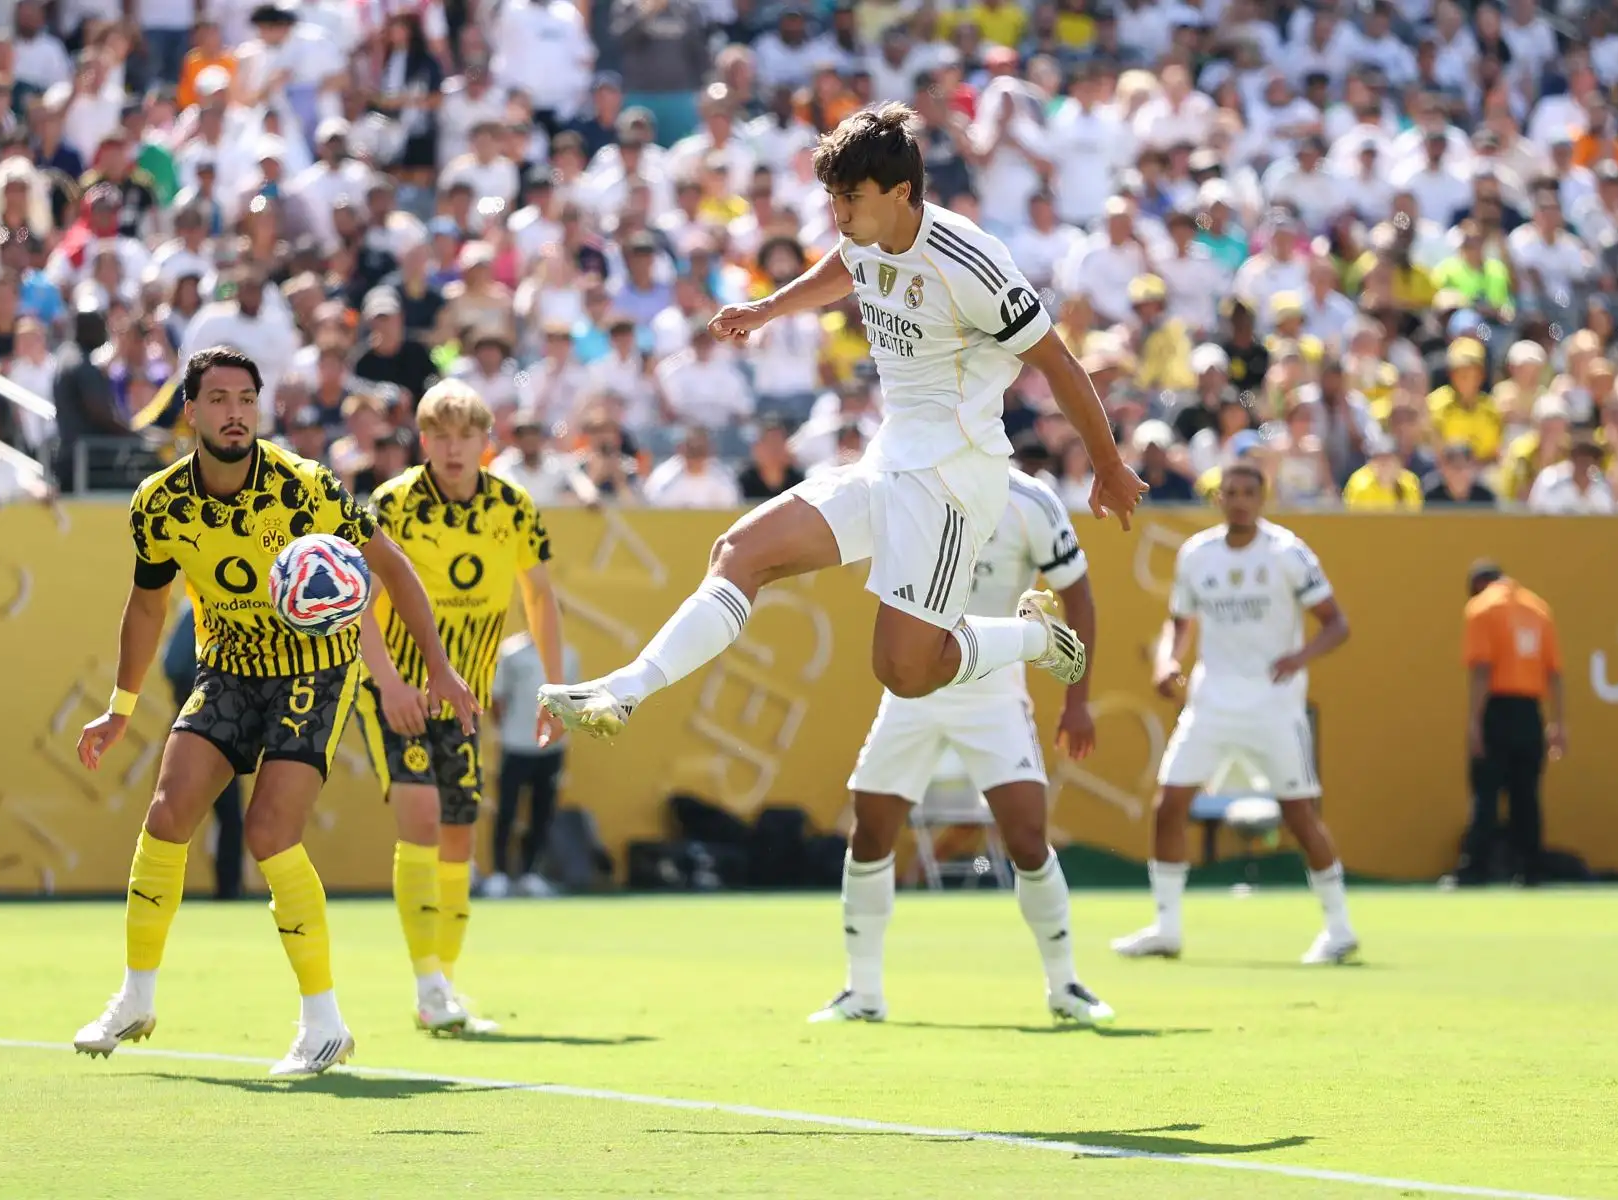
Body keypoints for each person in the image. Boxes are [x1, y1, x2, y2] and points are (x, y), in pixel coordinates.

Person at [539, 104, 1143, 739]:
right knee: (739, 552)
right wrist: (770, 308)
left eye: (850, 198)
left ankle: (1031, 635)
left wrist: (1107, 464)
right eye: (832, 198)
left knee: (905, 672)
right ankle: (623, 690)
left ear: (901, 192)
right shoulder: (864, 232)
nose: (839, 214)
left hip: (953, 479)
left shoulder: (970, 260)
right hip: (890, 458)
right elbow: (846, 264)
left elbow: (1059, 362)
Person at [71, 346, 477, 1077]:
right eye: (219, 399)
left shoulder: (305, 487)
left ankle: (323, 1022)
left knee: (268, 831)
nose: (235, 413)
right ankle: (135, 996)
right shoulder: (159, 504)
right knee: (166, 815)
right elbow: (145, 604)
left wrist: (439, 669)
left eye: (247, 399)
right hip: (226, 669)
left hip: (313, 673)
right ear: (190, 411)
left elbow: (391, 565)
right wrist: (119, 709)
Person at [813, 468, 1113, 1027]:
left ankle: (1065, 984)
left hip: (994, 694)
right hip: (914, 690)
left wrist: (1078, 699)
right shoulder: (906, 485)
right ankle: (863, 991)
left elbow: (1081, 599)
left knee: (1026, 836)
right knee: (873, 827)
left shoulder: (1032, 500)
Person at [354, 380, 564, 1035]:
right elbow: (359, 602)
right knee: (419, 819)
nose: (451, 448)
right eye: (439, 436)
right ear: (422, 441)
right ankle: (428, 987)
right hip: (401, 691)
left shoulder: (514, 507)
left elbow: (541, 598)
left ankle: (440, 984)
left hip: (465, 698)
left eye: (464, 436)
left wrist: (553, 688)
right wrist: (387, 682)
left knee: (457, 838)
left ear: (484, 441)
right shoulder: (392, 504)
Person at [1114, 463, 1359, 965]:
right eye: (1231, 493)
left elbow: (1337, 624)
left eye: (1249, 492)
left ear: (1263, 497)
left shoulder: (1288, 553)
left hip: (1273, 704)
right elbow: (1179, 623)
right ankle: (1167, 927)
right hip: (1212, 702)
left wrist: (1299, 658)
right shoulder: (1196, 555)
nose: (1240, 500)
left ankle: (1339, 929)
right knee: (1169, 804)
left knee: (1298, 814)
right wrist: (1167, 662)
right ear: (1218, 498)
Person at [1460, 561, 1564, 886]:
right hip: (1531, 712)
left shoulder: (1481, 608)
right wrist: (1558, 722)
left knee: (1485, 793)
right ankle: (1531, 869)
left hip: (1497, 708)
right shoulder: (1538, 608)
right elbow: (1555, 672)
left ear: (1478, 584)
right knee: (1526, 796)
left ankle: (1474, 870)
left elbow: (1482, 670)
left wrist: (1474, 722)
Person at [160, 601, 245, 900]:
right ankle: (228, 890)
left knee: (173, 810)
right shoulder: (210, 608)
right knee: (220, 813)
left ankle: (157, 890)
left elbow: (170, 664)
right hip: (211, 721)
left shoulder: (196, 607)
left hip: (196, 719)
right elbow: (174, 666)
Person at [486, 630, 580, 898]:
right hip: (515, 744)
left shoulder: (569, 655)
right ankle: (500, 874)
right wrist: (505, 731)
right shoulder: (511, 651)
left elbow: (572, 701)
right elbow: (498, 697)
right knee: (506, 810)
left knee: (542, 811)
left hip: (551, 748)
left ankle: (530, 873)